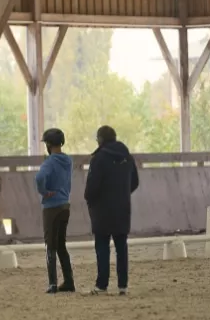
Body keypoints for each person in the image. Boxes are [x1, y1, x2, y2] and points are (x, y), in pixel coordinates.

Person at [84, 125, 139, 296]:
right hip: (122, 208)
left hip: (102, 210)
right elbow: (135, 182)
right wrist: (122, 194)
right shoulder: (127, 157)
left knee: (102, 247)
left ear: (100, 140)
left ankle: (102, 285)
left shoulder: (98, 159)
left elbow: (91, 188)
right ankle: (123, 285)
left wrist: (91, 200)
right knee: (121, 247)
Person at [35, 128, 75, 294]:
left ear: (49, 144)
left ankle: (52, 283)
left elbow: (39, 178)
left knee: (50, 246)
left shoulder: (49, 162)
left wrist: (44, 192)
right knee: (61, 245)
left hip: (51, 207)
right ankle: (69, 281)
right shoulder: (68, 160)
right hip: (65, 205)